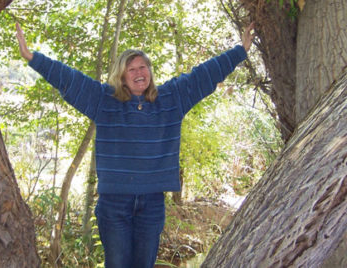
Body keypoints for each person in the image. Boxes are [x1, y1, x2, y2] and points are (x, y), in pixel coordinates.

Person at [16, 22, 255, 268]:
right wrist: (33, 58)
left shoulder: (171, 99)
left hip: (152, 204)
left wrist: (241, 50)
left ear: (149, 72)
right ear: (121, 76)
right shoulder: (104, 101)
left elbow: (203, 75)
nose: (138, 72)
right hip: (114, 204)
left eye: (142, 67)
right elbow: (70, 79)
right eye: (131, 69)